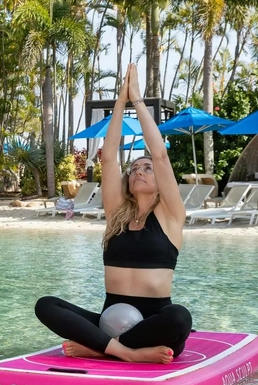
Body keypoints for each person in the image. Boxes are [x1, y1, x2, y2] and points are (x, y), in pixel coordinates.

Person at [35, 64, 191, 364]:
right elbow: (108, 158)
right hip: (109, 319)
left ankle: (102, 348)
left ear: (160, 180)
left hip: (155, 327)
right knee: (46, 305)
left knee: (180, 317)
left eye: (146, 169)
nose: (138, 171)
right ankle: (124, 352)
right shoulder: (117, 213)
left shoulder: (171, 215)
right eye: (133, 169)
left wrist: (138, 102)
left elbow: (159, 154)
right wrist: (119, 103)